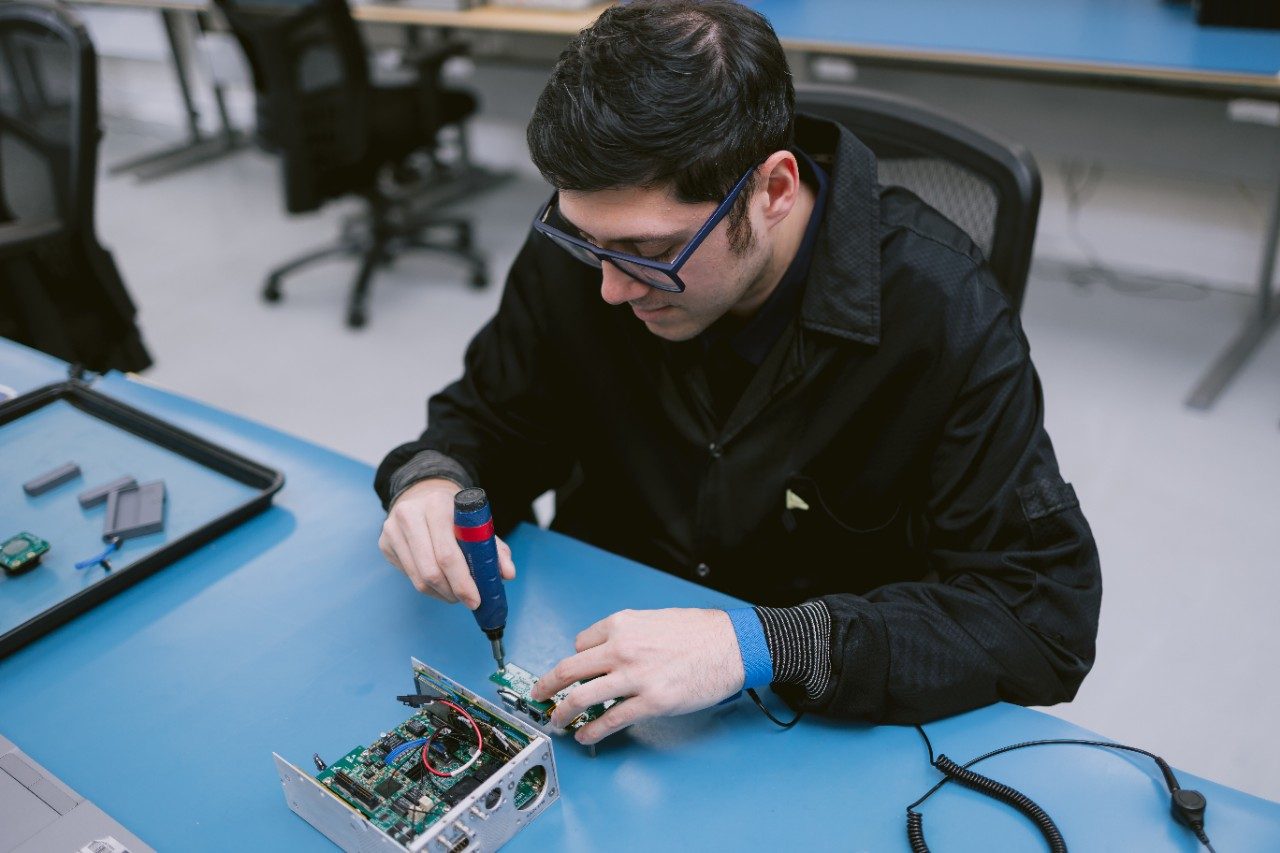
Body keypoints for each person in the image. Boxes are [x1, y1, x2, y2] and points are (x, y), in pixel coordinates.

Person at [375, 0, 1101, 746]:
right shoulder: (595, 249)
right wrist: (431, 478)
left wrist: (757, 645)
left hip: (810, 724)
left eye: (651, 252)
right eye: (589, 240)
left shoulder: (942, 308)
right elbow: (494, 419)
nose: (611, 288)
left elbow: (1041, 616)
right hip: (596, 670)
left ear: (774, 192)